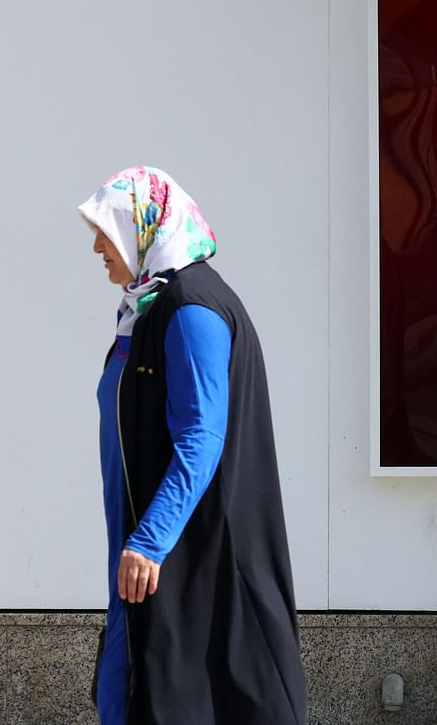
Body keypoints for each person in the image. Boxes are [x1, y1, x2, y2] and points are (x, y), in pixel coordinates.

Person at [79, 167, 308, 724]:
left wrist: (150, 540)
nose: (95, 247)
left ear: (143, 228)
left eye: (104, 229)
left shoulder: (191, 309)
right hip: (147, 554)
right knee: (127, 690)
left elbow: (202, 436)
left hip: (188, 561)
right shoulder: (151, 308)